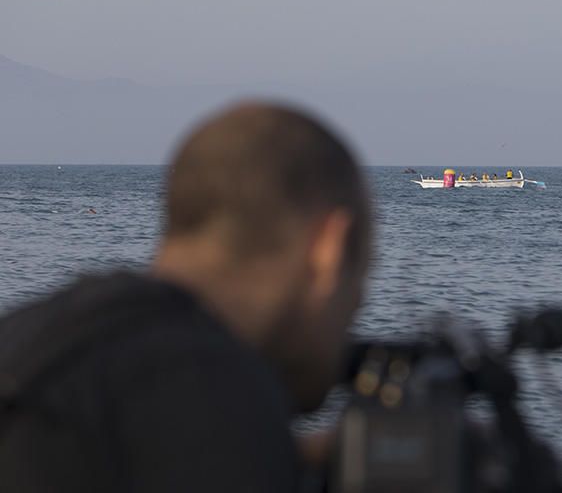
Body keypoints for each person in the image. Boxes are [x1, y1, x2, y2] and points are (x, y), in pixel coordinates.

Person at [0, 102, 371, 492]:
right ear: (328, 250)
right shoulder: (215, 392)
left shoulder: (49, 338)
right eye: (363, 273)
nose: (356, 306)